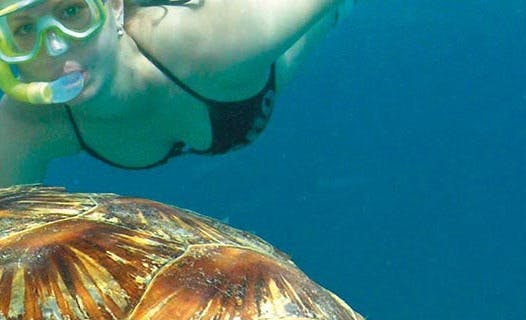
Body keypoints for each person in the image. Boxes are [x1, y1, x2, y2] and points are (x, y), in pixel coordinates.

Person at [0, 0, 354, 186]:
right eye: (25, 29)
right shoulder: (24, 128)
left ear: (115, 7)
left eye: (73, 11)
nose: (57, 46)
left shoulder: (217, 44)